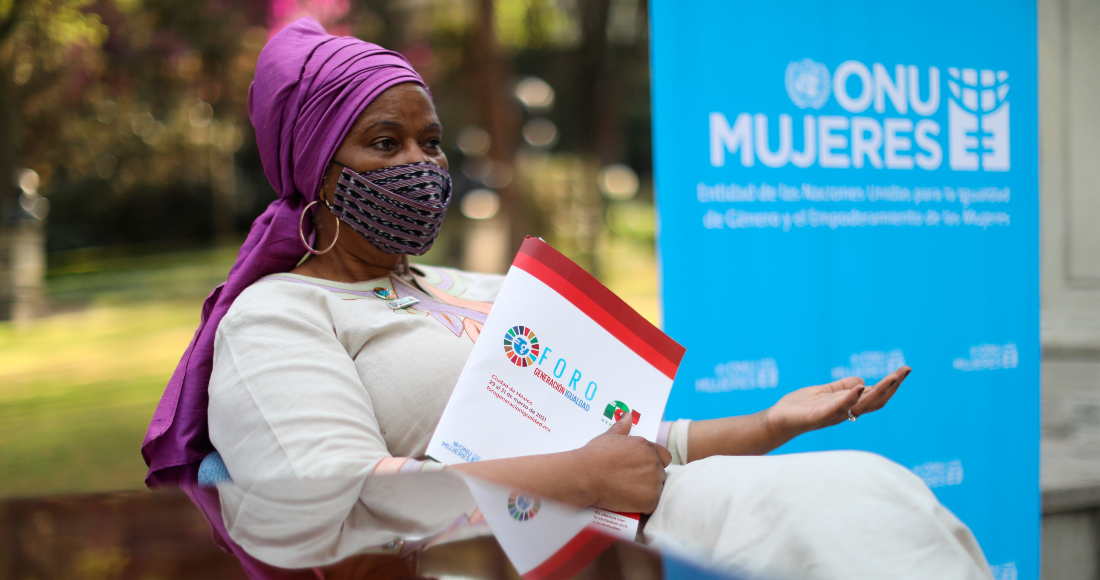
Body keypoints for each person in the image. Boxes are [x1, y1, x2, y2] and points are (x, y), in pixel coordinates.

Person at [142, 17, 993, 580]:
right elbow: (340, 497)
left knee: (870, 491)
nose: (422, 164)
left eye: (432, 142)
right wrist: (582, 475)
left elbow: (624, 448)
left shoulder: (473, 290)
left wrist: (775, 423)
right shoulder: (280, 317)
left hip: (632, 518)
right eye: (384, 142)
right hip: (514, 556)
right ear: (313, 168)